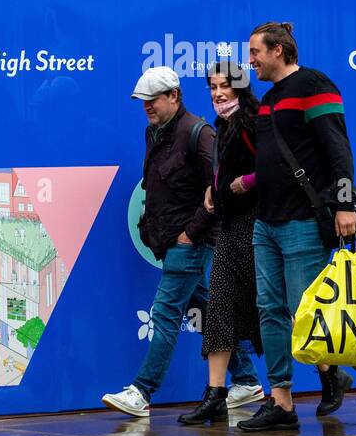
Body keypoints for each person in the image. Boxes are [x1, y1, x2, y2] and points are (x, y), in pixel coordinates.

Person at [236, 22, 356, 432]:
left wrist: (344, 204)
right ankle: (282, 403)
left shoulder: (315, 84)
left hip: (303, 222)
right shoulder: (269, 98)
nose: (249, 60)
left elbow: (338, 149)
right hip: (266, 222)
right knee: (270, 312)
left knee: (312, 314)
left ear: (279, 50)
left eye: (255, 52)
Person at [102, 66, 263, 417]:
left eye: (153, 99)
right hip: (168, 241)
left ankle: (142, 391)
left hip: (191, 242)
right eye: (143, 101)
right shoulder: (154, 132)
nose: (147, 106)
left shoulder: (199, 133)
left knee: (165, 315)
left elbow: (217, 189)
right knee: (206, 308)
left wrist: (191, 233)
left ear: (174, 95)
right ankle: (247, 380)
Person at [178, 61, 266, 425]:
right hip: (229, 225)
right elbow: (222, 170)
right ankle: (215, 393)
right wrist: (212, 189)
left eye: (224, 86)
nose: (217, 93)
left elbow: (273, 169)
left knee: (279, 310)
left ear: (240, 87)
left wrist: (246, 181)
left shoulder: (254, 121)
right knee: (219, 307)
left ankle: (337, 372)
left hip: (259, 226)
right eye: (212, 87)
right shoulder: (222, 125)